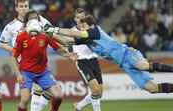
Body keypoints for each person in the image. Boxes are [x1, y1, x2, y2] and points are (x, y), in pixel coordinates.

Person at [45, 15, 173, 96]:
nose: (82, 29)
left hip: (127, 53)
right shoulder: (87, 39)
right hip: (124, 64)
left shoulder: (95, 31)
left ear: (92, 26)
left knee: (143, 66)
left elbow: (74, 34)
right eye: (81, 27)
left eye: (84, 26)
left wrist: (54, 29)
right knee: (152, 89)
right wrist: (51, 35)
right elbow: (67, 41)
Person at [0, 0, 66, 111]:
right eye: (21, 7)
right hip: (23, 64)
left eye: (26, 6)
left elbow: (52, 33)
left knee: (42, 91)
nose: (24, 9)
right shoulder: (11, 26)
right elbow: (1, 43)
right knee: (33, 93)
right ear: (16, 8)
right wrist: (15, 50)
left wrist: (65, 45)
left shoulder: (40, 20)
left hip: (39, 62)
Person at [12, 13, 78, 111]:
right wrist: (18, 74)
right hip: (26, 72)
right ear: (27, 22)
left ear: (38, 20)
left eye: (35, 18)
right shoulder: (21, 37)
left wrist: (69, 55)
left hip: (42, 72)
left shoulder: (45, 35)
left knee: (58, 95)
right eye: (31, 18)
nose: (33, 20)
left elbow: (58, 49)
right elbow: (14, 57)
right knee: (25, 99)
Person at [68, 8, 106, 111]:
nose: (80, 19)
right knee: (95, 90)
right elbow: (67, 44)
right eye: (78, 17)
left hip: (94, 60)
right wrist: (69, 54)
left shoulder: (90, 30)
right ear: (75, 19)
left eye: (82, 17)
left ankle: (78, 106)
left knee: (99, 93)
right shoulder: (72, 31)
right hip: (82, 62)